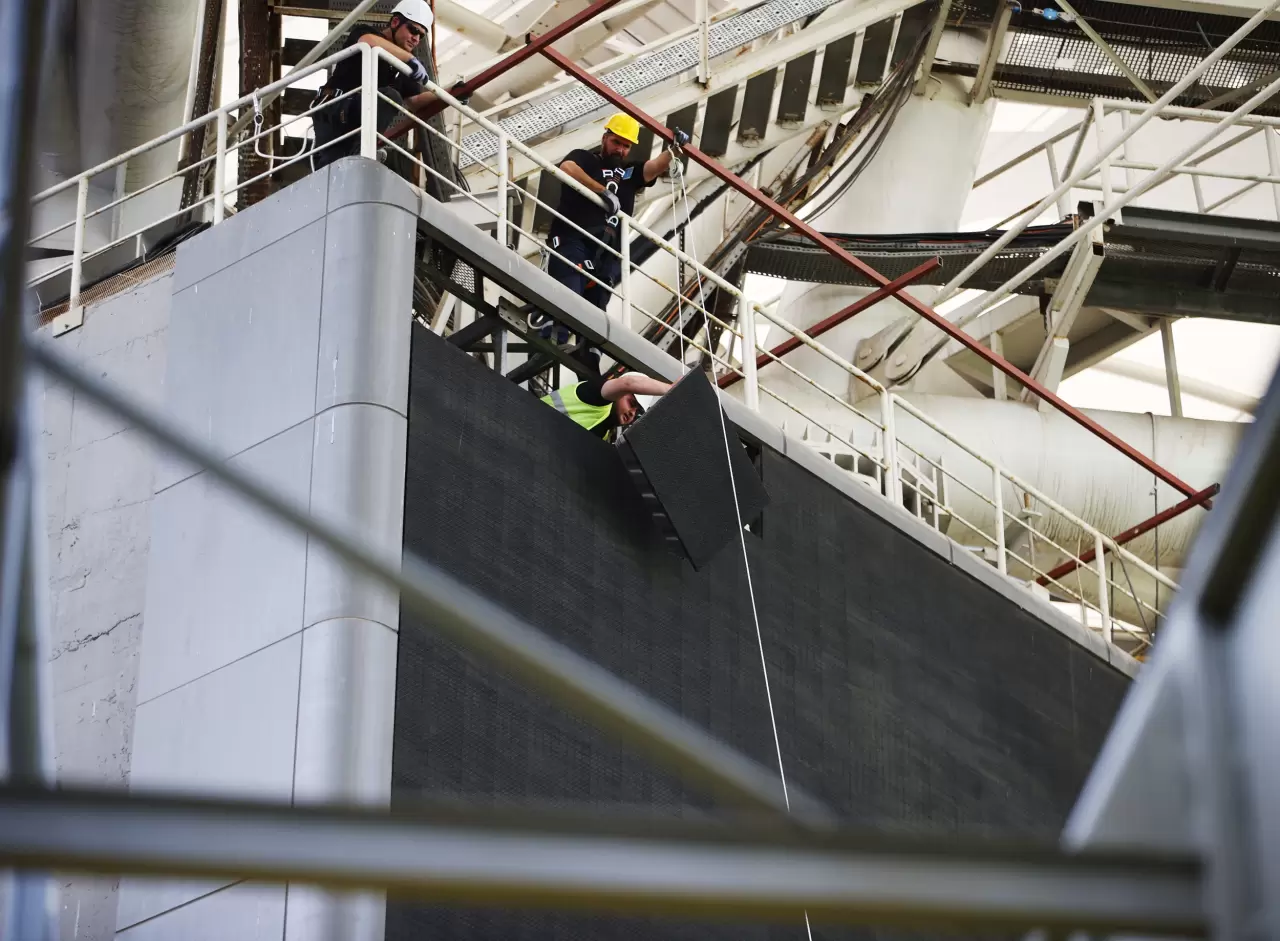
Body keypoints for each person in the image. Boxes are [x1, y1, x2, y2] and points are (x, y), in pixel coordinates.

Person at [533, 115, 690, 358]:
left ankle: (589, 366)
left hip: (607, 251)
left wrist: (674, 150)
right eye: (617, 142)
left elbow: (653, 167)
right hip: (573, 237)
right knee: (569, 291)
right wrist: (602, 191)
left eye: (626, 145)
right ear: (605, 138)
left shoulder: (629, 172)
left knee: (597, 312)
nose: (621, 149)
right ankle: (547, 347)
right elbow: (567, 168)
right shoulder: (586, 159)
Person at [311, 0, 440, 171]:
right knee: (390, 96)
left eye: (421, 35)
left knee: (335, 170)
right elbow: (368, 40)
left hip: (356, 118)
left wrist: (454, 92)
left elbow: (414, 101)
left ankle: (359, 154)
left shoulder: (402, 66)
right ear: (395, 22)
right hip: (335, 107)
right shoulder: (366, 33)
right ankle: (361, 154)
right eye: (413, 30)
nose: (416, 38)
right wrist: (410, 59)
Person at [541, 372, 672, 440]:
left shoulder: (604, 434)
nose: (632, 412)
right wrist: (672, 389)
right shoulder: (594, 396)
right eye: (632, 403)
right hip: (530, 421)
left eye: (637, 411)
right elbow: (628, 383)